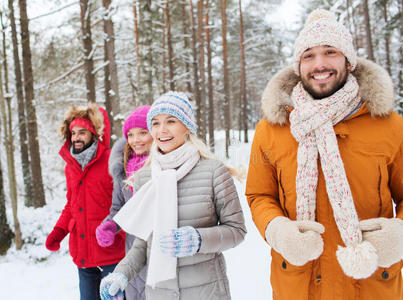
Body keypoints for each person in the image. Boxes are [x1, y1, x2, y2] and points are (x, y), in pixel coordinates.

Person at [245, 9, 403, 300]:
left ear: (348, 60)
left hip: (372, 284)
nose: (320, 64)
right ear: (298, 65)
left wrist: (400, 233)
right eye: (308, 55)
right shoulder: (271, 129)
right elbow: (259, 196)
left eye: (330, 52)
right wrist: (276, 229)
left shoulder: (391, 125)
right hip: (298, 284)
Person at [99, 91, 247, 300]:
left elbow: (237, 230)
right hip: (160, 293)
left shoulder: (214, 171)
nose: (162, 130)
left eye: (171, 121)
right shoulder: (143, 178)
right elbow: (142, 244)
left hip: (207, 292)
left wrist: (197, 240)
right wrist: (121, 274)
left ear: (187, 127)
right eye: (156, 123)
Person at [45, 103, 125, 300]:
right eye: (73, 133)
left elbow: (126, 203)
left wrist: (118, 231)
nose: (76, 138)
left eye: (82, 132)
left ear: (93, 133)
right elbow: (72, 205)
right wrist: (59, 231)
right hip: (84, 256)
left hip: (111, 255)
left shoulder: (111, 160)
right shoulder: (71, 166)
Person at [96, 105, 152, 300]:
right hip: (133, 251)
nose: (136, 140)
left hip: (163, 249)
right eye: (130, 134)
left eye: (142, 133)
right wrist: (110, 226)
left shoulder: (166, 165)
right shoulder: (122, 170)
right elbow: (119, 208)